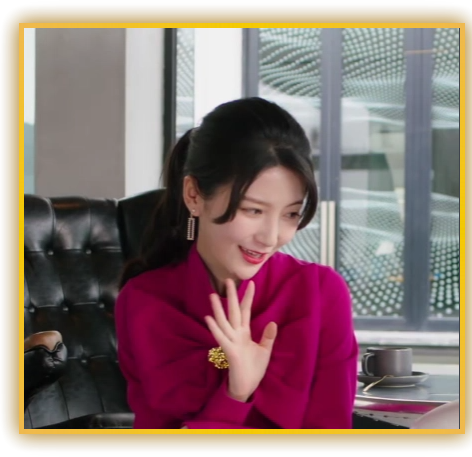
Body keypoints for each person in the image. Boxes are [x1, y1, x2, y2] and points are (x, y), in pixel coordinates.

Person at [115, 97, 358, 429]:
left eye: (290, 214)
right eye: (253, 210)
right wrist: (236, 393)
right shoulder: (144, 301)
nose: (270, 237)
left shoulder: (320, 293)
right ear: (194, 195)